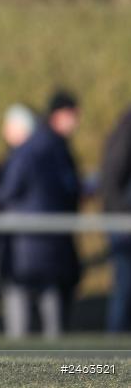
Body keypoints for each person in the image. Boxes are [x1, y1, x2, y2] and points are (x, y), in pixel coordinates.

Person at [0, 90, 82, 339]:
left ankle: (20, 369)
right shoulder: (52, 148)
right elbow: (70, 190)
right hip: (48, 243)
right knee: (50, 311)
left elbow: (5, 191)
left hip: (23, 244)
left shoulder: (26, 153)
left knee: (21, 313)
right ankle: (58, 369)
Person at [100, 104, 131, 332]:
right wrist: (121, 217)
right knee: (124, 288)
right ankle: (114, 355)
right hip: (124, 225)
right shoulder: (127, 130)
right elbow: (111, 176)